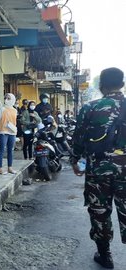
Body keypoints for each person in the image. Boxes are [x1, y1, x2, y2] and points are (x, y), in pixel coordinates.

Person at [70, 67, 126, 269]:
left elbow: (79, 138)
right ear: (122, 84)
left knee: (99, 210)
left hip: (98, 170)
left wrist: (75, 160)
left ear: (101, 85)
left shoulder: (90, 108)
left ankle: (105, 255)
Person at [0, 93, 18, 174]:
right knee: (2, 150)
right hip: (3, 132)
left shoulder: (15, 110)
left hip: (12, 132)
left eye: (8, 98)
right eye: (5, 98)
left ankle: (10, 167)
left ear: (12, 99)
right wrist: (1, 128)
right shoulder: (2, 109)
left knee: (10, 150)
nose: (6, 99)